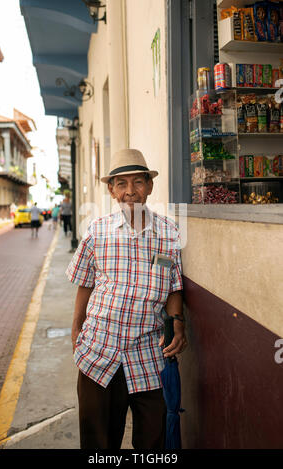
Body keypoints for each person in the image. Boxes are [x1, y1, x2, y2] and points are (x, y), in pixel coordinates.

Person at [66, 149, 187, 450]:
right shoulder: (97, 231)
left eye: (138, 182)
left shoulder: (169, 233)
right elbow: (85, 282)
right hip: (99, 352)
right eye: (121, 184)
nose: (130, 192)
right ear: (111, 190)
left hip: (147, 354)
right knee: (99, 443)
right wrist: (76, 328)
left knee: (152, 441)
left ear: (150, 186)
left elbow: (172, 285)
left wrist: (179, 323)